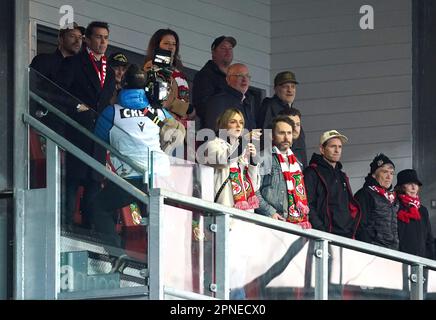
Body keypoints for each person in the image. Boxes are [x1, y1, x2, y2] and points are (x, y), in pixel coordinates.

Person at [91, 64, 183, 271]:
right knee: (155, 219)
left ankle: (116, 255)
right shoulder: (159, 111)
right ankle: (165, 266)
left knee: (98, 207)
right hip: (161, 175)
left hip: (131, 176)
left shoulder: (110, 112)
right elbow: (176, 134)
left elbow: (98, 138)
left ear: (122, 86)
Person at [57, 21, 116, 229]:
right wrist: (75, 105)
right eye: (99, 37)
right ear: (88, 40)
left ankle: (91, 228)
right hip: (78, 128)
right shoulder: (74, 62)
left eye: (106, 38)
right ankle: (66, 225)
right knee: (73, 179)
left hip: (98, 131)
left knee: (94, 181)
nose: (103, 42)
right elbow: (58, 91)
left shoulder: (109, 69)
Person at [255, 116, 311, 228]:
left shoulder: (297, 163)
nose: (286, 137)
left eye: (289, 133)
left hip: (295, 224)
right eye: (281, 133)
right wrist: (270, 212)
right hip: (270, 223)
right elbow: (254, 191)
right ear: (272, 136)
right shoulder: (263, 158)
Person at [304, 130, 361, 238]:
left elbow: (349, 205)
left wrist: (352, 229)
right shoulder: (312, 172)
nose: (337, 150)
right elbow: (307, 204)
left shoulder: (342, 175)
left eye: (340, 147)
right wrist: (321, 230)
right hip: (325, 235)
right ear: (322, 149)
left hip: (346, 235)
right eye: (332, 146)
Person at [204, 108, 260, 209]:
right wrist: (244, 141)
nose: (238, 126)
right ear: (223, 125)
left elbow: (253, 187)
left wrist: (253, 161)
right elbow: (224, 160)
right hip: (223, 207)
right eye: (233, 122)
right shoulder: (213, 144)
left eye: (241, 122)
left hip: (245, 214)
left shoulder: (243, 149)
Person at [144, 28, 194, 126]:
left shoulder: (177, 70)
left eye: (173, 44)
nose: (171, 47)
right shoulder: (152, 67)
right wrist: (186, 108)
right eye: (166, 43)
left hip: (183, 125)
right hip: (164, 123)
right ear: (156, 46)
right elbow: (161, 99)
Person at [259, 71, 307, 166]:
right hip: (279, 164)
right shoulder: (269, 106)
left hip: (295, 164)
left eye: (293, 87)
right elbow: (265, 137)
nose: (290, 90)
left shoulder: (292, 111)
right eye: (286, 87)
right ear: (276, 89)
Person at [355, 154, 399, 249]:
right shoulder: (364, 194)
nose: (389, 177)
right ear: (374, 175)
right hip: (374, 252)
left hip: (394, 252)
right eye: (384, 172)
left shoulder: (394, 198)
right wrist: (369, 250)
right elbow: (361, 226)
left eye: (391, 173)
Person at [200, 63, 257, 131]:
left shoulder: (247, 102)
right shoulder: (219, 101)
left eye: (247, 76)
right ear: (228, 79)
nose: (244, 79)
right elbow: (215, 130)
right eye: (240, 76)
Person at [193, 35, 236, 120]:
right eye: (223, 48)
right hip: (215, 128)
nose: (228, 51)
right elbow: (202, 107)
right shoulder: (205, 75)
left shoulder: (236, 77)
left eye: (230, 48)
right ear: (213, 52)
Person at [394, 169, 434, 259]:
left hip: (421, 261)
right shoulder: (395, 206)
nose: (413, 187)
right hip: (400, 260)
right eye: (409, 184)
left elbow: (429, 239)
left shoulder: (422, 210)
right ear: (401, 187)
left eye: (416, 184)